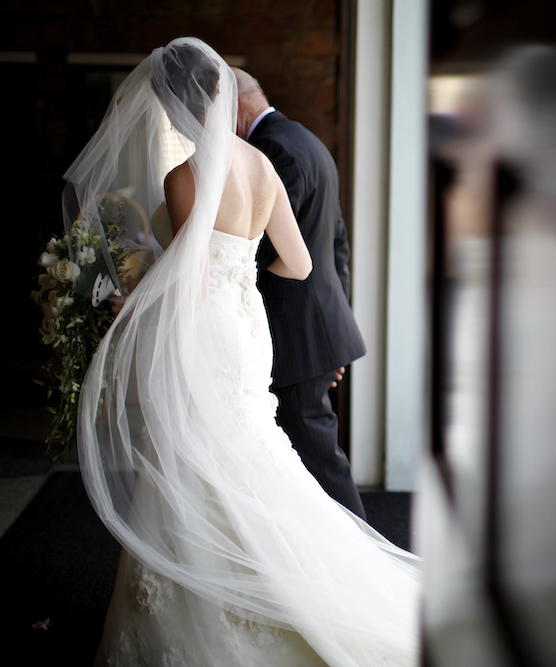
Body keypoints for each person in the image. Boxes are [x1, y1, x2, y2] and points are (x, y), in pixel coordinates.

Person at [72, 37, 420, 666]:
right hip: (247, 329)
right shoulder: (261, 165)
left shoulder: (186, 176)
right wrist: (245, 274)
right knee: (248, 451)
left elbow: (190, 281)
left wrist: (130, 301)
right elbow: (300, 261)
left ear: (177, 104)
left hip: (210, 329)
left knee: (196, 456)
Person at [231, 68, 368, 519]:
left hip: (296, 340)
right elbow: (337, 243)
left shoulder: (272, 150)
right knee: (306, 467)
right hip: (314, 334)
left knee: (321, 468)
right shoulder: (306, 140)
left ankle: (365, 572)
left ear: (237, 105)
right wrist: (332, 335)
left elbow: (252, 252)